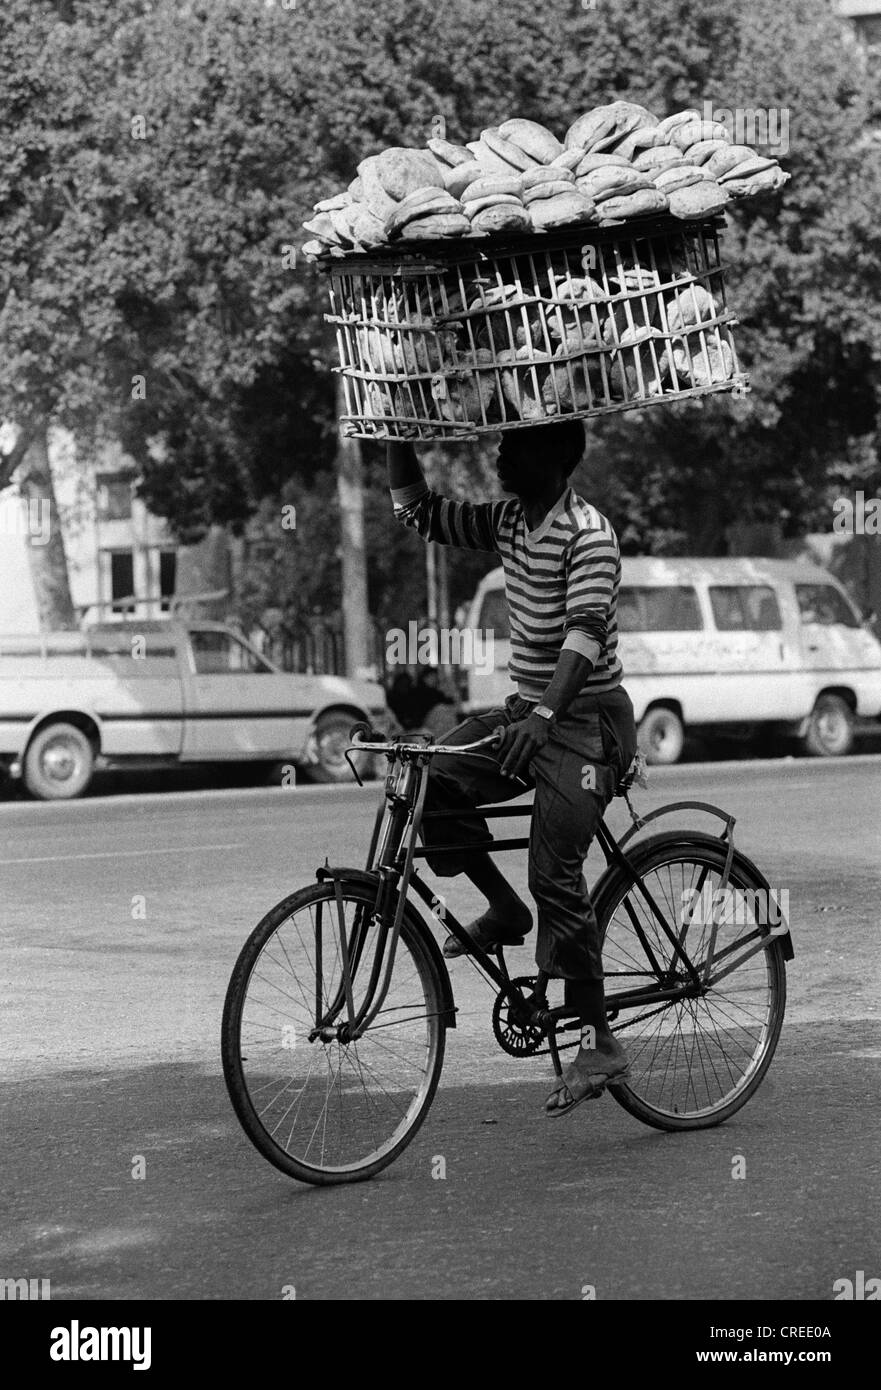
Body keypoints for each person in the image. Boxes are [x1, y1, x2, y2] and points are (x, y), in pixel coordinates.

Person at [387, 422, 638, 1117]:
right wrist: (393, 435)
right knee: (431, 774)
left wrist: (546, 718)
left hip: (585, 726)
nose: (498, 453)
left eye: (515, 445)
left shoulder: (589, 533)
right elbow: (422, 514)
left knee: (555, 869)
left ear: (555, 458)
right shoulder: (506, 521)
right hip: (530, 712)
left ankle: (599, 1041)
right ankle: (502, 906)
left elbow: (585, 633)